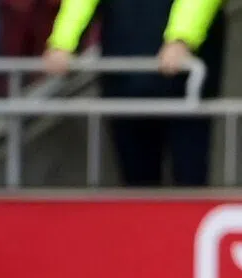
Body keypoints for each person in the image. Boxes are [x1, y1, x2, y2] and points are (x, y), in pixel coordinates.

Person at [42, 0, 226, 186]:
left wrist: (182, 40)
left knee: (188, 174)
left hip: (184, 78)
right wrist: (63, 43)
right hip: (124, 72)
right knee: (136, 179)